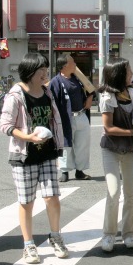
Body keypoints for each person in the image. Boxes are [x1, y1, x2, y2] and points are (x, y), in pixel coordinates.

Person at [0, 52, 69, 264]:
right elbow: (6, 126)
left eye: (46, 70)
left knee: (52, 197)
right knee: (27, 202)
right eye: (41, 71)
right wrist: (28, 137)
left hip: (47, 153)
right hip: (24, 156)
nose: (45, 74)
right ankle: (28, 244)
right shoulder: (15, 95)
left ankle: (55, 236)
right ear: (30, 72)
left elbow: (54, 120)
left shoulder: (47, 93)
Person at [98, 58, 133, 252]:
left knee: (130, 193)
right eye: (128, 70)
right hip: (111, 148)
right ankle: (108, 234)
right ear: (119, 74)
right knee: (114, 192)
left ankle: (129, 233)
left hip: (131, 149)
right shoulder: (107, 96)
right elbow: (108, 128)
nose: (132, 73)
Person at [49, 54, 94, 183]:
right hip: (66, 118)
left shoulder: (78, 78)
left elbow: (91, 90)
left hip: (81, 115)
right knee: (65, 145)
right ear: (64, 66)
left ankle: (80, 171)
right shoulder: (56, 81)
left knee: (82, 145)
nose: (75, 64)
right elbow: (52, 102)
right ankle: (64, 171)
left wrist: (89, 99)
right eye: (72, 62)